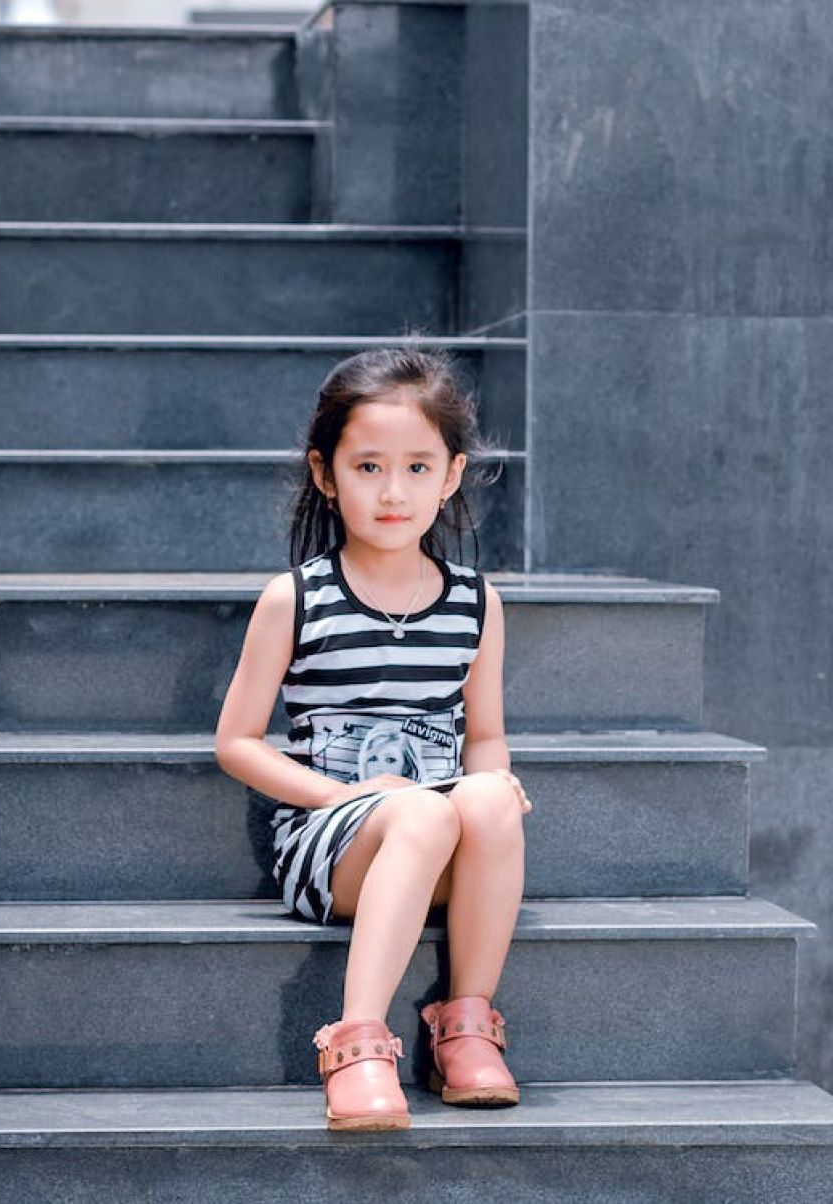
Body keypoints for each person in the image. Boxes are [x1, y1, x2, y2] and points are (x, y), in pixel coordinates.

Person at [215, 345, 533, 1132]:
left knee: (487, 798)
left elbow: (485, 735)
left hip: (439, 830)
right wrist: (347, 794)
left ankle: (466, 1024)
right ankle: (357, 1043)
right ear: (326, 474)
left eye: (418, 468)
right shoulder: (296, 599)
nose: (394, 492)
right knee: (421, 812)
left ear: (452, 475)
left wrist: (495, 783)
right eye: (368, 468)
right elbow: (238, 742)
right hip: (334, 844)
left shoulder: (475, 603)